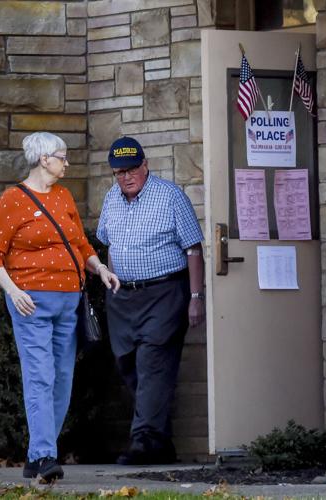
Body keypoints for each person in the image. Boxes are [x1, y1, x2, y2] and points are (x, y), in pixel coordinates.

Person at [0, 132, 120, 482]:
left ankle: (37, 455)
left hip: (69, 303)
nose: (67, 163)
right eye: (62, 157)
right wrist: (13, 292)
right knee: (40, 377)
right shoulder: (12, 200)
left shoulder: (63, 197)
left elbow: (79, 243)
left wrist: (100, 268)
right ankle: (45, 456)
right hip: (31, 303)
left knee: (61, 380)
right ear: (44, 159)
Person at [96, 136, 206, 465]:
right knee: (127, 363)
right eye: (119, 172)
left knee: (152, 363)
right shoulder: (111, 199)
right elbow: (108, 244)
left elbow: (194, 249)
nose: (126, 177)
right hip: (123, 296)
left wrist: (196, 296)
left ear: (145, 165)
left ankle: (143, 441)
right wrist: (112, 282)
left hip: (165, 293)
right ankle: (160, 442)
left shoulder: (171, 196)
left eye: (131, 170)